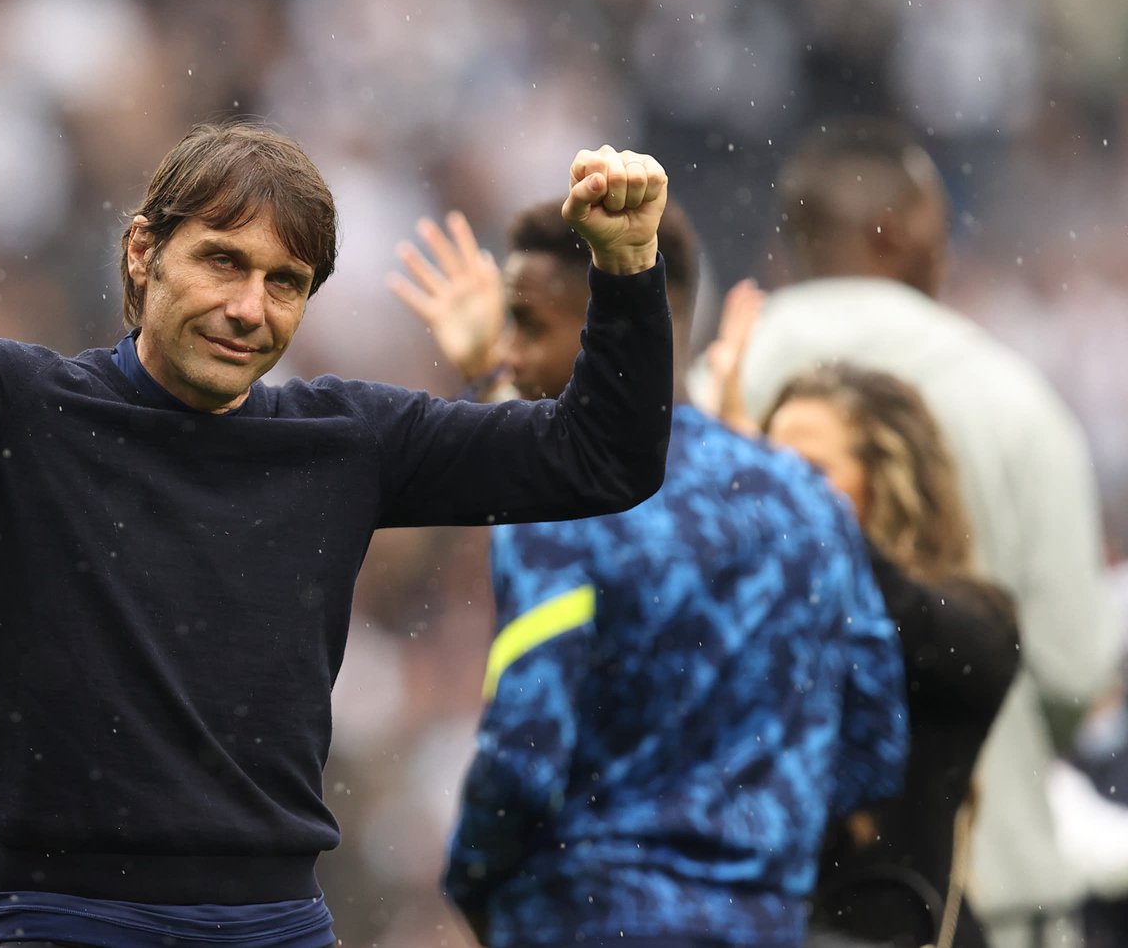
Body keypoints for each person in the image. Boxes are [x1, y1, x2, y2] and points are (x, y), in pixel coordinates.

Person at [0, 13, 676, 948]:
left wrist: (628, 266)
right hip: (71, 921)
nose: (248, 308)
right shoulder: (21, 411)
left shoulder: (350, 438)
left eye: (285, 281)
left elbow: (605, 457)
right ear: (144, 252)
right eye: (223, 261)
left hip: (275, 924)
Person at [388, 200, 908, 947]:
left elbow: (524, 760)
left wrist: (473, 881)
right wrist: (755, 855)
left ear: (615, 323)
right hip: (765, 924)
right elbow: (874, 740)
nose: (518, 357)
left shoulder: (561, 509)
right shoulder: (805, 501)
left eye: (530, 326)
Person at [728, 118, 1122, 948]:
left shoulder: (709, 390)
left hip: (750, 901)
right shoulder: (1016, 398)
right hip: (990, 889)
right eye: (942, 232)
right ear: (895, 232)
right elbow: (1067, 669)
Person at [758, 363, 1020, 948]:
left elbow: (922, 626)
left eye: (811, 472)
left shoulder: (972, 619)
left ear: (890, 479)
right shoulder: (757, 614)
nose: (779, 492)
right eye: (769, 468)